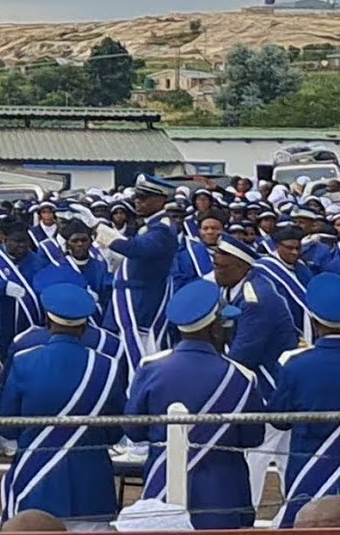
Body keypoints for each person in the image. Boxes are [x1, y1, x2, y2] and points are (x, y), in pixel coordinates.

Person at [123, 280, 265, 531]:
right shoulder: (241, 377)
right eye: (225, 323)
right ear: (214, 329)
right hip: (223, 494)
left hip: (162, 486)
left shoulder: (151, 368)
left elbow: (133, 430)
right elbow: (253, 437)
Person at [0, 283, 125, 530]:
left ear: (48, 321)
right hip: (91, 488)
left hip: (36, 484)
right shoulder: (107, 367)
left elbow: (8, 426)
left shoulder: (24, 361)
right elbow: (115, 430)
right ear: (84, 327)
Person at [212, 233, 297, 509]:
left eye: (221, 265)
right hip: (266, 386)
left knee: (257, 456)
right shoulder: (235, 288)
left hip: (269, 389)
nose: (216, 269)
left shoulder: (255, 300)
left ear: (242, 266)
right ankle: (293, 514)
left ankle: (245, 516)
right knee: (282, 459)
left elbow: (243, 355)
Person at [267, 273, 340, 527]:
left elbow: (279, 419)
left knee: (305, 524)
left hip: (308, 463)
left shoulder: (296, 366)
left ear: (315, 322)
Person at [99, 174, 179, 378]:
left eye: (143, 198)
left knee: (140, 354)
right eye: (136, 197)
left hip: (141, 301)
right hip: (131, 296)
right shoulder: (151, 225)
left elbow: (137, 249)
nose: (137, 202)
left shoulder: (163, 228)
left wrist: (97, 228)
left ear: (160, 200)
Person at [0, 220, 47, 362]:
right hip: (1, 320)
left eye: (24, 241)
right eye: (17, 241)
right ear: (5, 239)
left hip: (31, 323)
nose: (22, 245)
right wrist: (1, 287)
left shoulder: (38, 262)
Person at [255, 224, 314, 343]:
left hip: (307, 325)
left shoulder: (302, 267)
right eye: (289, 248)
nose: (295, 252)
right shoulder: (261, 268)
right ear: (277, 246)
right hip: (279, 328)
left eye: (298, 248)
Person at [171, 212, 222, 292]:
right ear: (199, 231)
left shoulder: (231, 255)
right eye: (205, 228)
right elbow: (179, 284)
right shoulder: (186, 255)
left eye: (214, 228)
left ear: (222, 231)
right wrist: (206, 279)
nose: (210, 232)